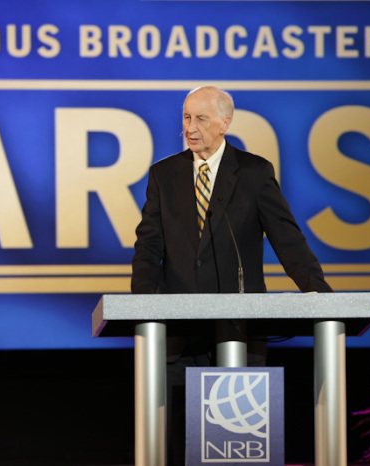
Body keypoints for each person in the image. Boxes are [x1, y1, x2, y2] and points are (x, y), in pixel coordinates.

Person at [130, 85, 331, 463]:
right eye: (186, 117)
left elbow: (287, 239)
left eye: (200, 118)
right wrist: (145, 304)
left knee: (235, 452)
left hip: (239, 332)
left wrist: (317, 291)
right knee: (181, 451)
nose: (190, 127)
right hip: (179, 338)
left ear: (225, 123)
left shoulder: (253, 173)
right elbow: (149, 247)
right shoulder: (164, 174)